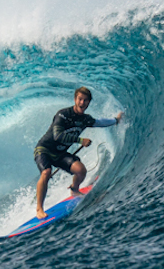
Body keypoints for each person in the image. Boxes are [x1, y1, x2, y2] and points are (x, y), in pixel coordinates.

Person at [34, 86, 123, 219]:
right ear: (75, 99)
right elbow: (57, 136)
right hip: (44, 149)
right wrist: (80, 140)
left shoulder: (85, 119)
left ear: (88, 102)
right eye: (80, 99)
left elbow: (99, 122)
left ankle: (74, 190)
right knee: (46, 172)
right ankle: (39, 209)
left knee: (81, 170)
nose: (82, 103)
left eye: (85, 100)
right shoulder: (63, 115)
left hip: (60, 153)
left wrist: (116, 120)